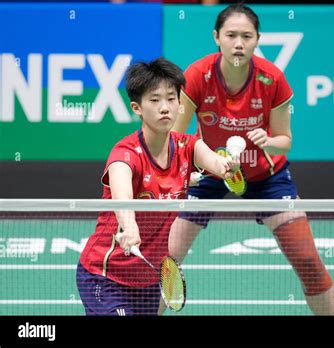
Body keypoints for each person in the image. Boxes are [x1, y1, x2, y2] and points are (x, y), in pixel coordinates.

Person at [168, 3, 334, 315]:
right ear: (216, 37)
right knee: (167, 259)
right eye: (231, 35)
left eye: (246, 36)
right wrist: (188, 172)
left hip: (267, 178)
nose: (238, 43)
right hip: (210, 172)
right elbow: (176, 141)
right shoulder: (196, 76)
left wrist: (268, 142)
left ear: (257, 39)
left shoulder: (273, 79)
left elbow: (285, 142)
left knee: (307, 260)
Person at [76, 57, 239, 316]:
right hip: (105, 276)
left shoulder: (188, 146)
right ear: (137, 107)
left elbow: (217, 164)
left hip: (149, 279)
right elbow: (121, 196)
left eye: (171, 98)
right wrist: (129, 226)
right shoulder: (126, 154)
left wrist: (228, 166)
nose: (165, 107)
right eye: (155, 100)